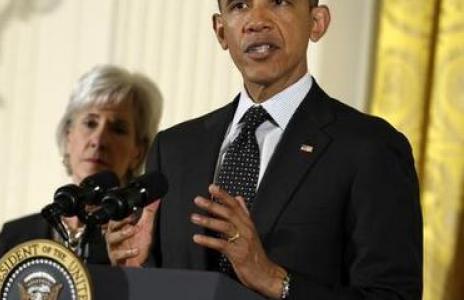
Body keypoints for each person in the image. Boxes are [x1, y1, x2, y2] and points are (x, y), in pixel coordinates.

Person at [105, 1, 422, 299]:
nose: (256, 21)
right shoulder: (174, 149)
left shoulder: (370, 148)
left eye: (279, 1)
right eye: (239, 6)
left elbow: (392, 295)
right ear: (220, 31)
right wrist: (139, 272)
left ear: (317, 22)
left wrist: (274, 279)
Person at [0, 65, 163, 264]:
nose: (98, 140)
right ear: (68, 136)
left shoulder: (141, 241)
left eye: (118, 129)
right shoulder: (16, 237)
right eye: (90, 123)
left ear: (138, 151)